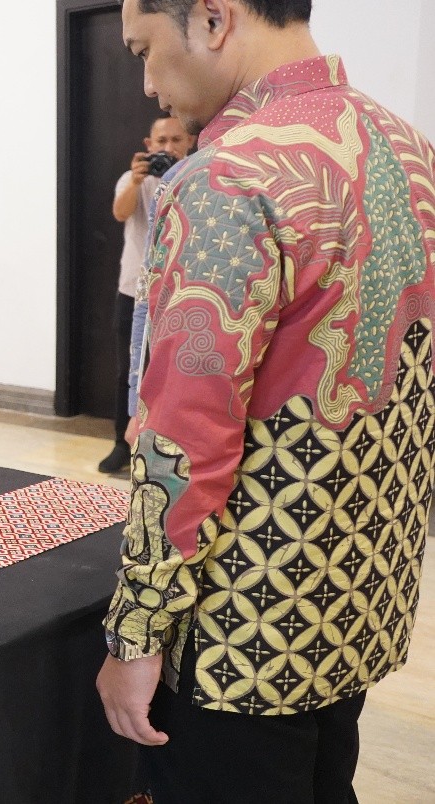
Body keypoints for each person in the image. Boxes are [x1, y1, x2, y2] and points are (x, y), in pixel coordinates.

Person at [97, 1, 435, 801]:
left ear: (213, 19)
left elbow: (184, 442)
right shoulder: (410, 150)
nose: (147, 85)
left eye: (144, 51)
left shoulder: (225, 177)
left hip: (243, 630)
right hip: (358, 591)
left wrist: (136, 634)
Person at [97, 116, 193, 474]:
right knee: (129, 370)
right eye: (161, 141)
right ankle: (121, 443)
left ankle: (165, 447)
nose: (168, 148)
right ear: (148, 145)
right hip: (133, 290)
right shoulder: (132, 179)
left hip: (177, 292)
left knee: (173, 371)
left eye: (176, 140)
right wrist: (138, 181)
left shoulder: (195, 178)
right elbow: (120, 213)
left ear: (190, 142)